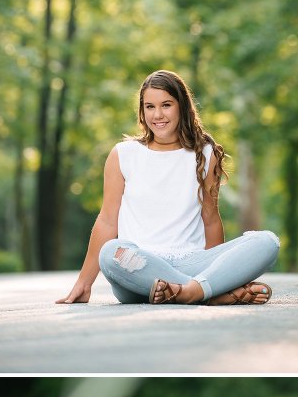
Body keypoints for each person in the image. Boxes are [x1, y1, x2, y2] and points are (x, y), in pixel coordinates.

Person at [56, 69, 279, 307]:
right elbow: (108, 221)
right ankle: (207, 292)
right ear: (142, 111)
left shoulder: (204, 153)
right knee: (112, 252)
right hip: (139, 269)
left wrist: (214, 271)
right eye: (149, 107)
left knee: (267, 242)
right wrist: (84, 282)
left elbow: (211, 220)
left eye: (166, 105)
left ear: (181, 106)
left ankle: (191, 292)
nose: (158, 114)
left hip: (191, 262)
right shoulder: (123, 154)